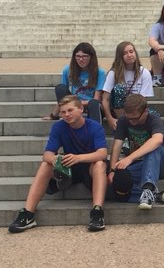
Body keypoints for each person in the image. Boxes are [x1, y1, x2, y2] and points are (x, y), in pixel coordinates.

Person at [8, 94, 108, 233]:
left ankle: (97, 213)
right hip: (69, 169)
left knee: (100, 164)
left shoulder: (94, 126)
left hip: (88, 168)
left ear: (81, 109)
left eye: (70, 110)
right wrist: (54, 159)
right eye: (63, 112)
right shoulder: (59, 127)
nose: (66, 115)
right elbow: (47, 154)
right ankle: (28, 214)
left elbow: (102, 153)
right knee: (45, 164)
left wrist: (78, 158)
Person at [108, 94, 164, 209]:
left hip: (163, 161)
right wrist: (113, 170)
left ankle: (148, 189)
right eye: (129, 118)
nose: (132, 122)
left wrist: (130, 158)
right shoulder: (123, 121)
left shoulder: (154, 119)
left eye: (135, 118)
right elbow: (117, 144)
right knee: (118, 180)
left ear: (145, 111)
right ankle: (153, 195)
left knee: (152, 148)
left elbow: (157, 140)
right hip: (141, 164)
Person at [100, 40, 154, 132]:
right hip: (117, 110)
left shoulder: (144, 72)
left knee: (154, 115)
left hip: (136, 108)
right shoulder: (113, 73)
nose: (129, 55)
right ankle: (125, 124)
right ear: (120, 57)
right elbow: (105, 99)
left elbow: (143, 100)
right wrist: (109, 118)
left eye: (131, 51)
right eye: (125, 53)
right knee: (119, 89)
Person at [49, 42, 105, 124]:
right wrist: (54, 115)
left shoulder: (100, 72)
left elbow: (97, 99)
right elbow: (63, 97)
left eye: (84, 56)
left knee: (93, 103)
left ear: (91, 57)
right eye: (78, 56)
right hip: (73, 105)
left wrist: (77, 102)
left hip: (91, 105)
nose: (81, 59)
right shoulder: (67, 70)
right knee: (60, 88)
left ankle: (94, 131)